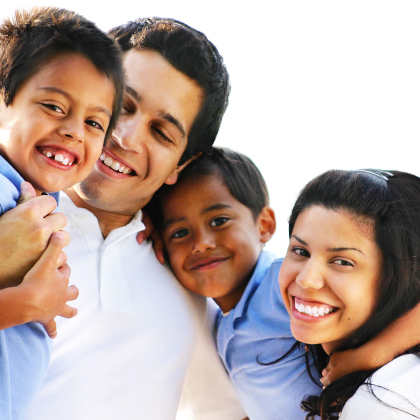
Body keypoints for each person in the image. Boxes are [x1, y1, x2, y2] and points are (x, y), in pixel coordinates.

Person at [19, 17, 246, 420]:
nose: (124, 137)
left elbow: (229, 410)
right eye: (122, 105)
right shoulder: (14, 215)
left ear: (183, 162)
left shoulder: (188, 276)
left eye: (161, 132)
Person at [0, 7, 124, 419]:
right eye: (54, 106)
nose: (74, 130)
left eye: (94, 122)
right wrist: (25, 304)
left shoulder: (32, 199)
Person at [147, 147, 321, 420]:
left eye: (219, 221)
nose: (201, 243)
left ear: (263, 225)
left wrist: (361, 357)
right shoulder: (220, 327)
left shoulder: (282, 285)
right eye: (180, 233)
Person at [279, 169, 420, 419]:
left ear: (400, 278)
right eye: (300, 251)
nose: (306, 279)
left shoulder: (382, 405)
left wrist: (376, 352)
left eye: (343, 262)